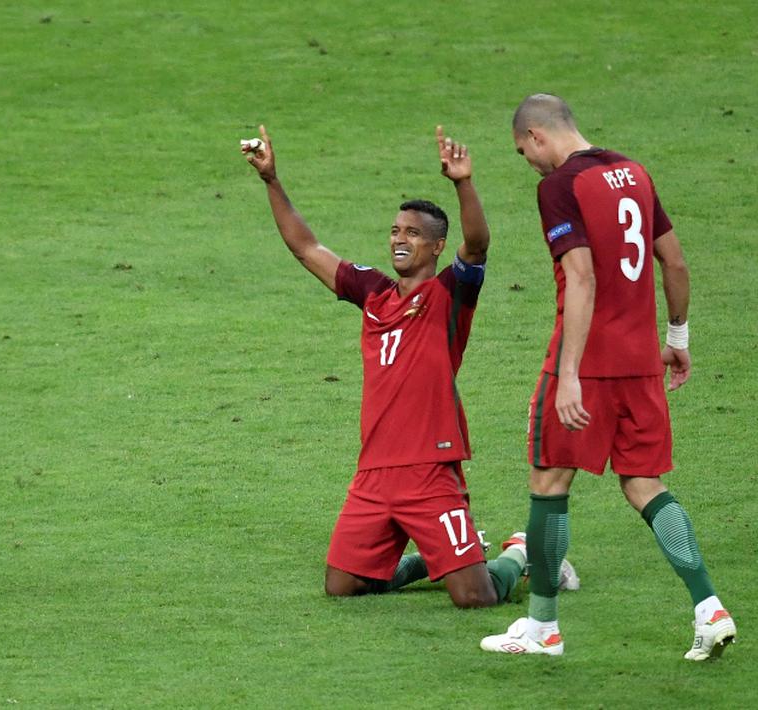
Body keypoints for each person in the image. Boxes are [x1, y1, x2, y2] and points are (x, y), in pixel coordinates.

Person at [243, 125, 555, 607]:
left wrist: (463, 183)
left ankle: (517, 555)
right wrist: (271, 180)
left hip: (431, 468)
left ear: (435, 247)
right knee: (341, 586)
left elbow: (476, 245)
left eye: (412, 233)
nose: (398, 239)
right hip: (374, 470)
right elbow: (306, 248)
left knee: (475, 597)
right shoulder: (373, 293)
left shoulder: (450, 294)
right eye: (394, 230)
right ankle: (432, 561)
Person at [480, 94, 735, 660]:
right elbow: (675, 261)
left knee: (550, 482)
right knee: (645, 484)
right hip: (642, 362)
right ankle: (708, 608)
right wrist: (677, 339)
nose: (530, 162)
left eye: (525, 151)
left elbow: (581, 277)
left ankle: (543, 628)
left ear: (537, 135)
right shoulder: (634, 173)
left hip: (587, 364)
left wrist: (569, 374)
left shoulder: (558, 187)